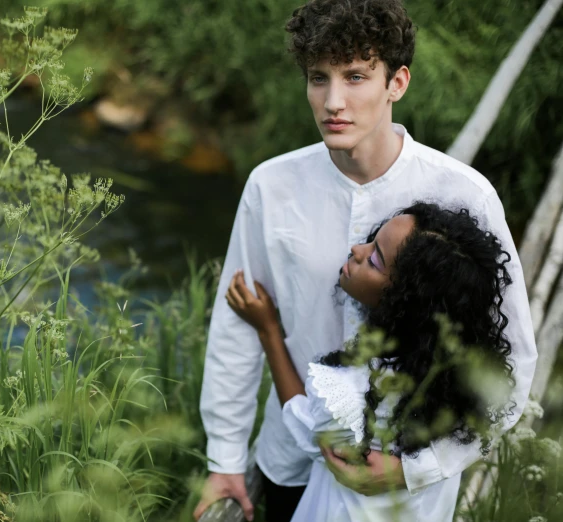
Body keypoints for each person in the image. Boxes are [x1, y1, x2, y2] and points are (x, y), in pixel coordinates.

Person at [193, 1, 537, 521]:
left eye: (356, 76)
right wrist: (225, 460)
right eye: (318, 78)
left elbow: (512, 360)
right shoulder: (271, 186)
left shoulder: (464, 195)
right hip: (290, 457)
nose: (333, 101)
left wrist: (416, 468)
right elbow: (237, 324)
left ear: (396, 83)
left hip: (411, 486)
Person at [225, 202, 515, 521]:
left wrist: (268, 330)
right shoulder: (448, 392)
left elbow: (303, 421)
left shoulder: (356, 397)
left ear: (405, 299)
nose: (356, 249)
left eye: (374, 259)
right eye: (372, 238)